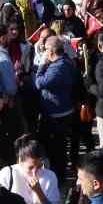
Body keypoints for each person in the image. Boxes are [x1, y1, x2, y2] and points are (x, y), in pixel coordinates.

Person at [33, 34, 81, 182]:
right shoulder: (67, 61)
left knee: (56, 148)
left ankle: (58, 176)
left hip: (57, 114)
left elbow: (39, 83)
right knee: (58, 146)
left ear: (51, 52)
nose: (44, 52)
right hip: (64, 109)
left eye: (45, 50)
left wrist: (41, 65)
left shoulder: (57, 68)